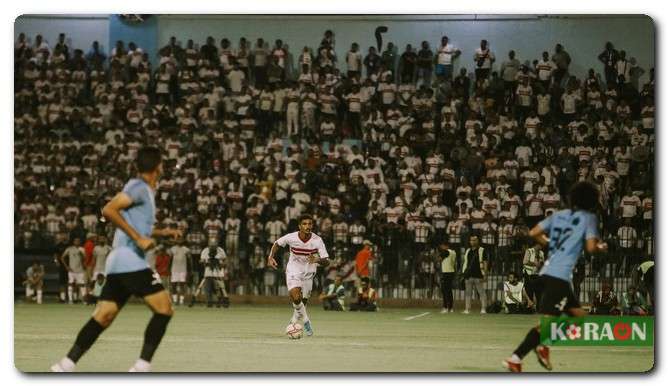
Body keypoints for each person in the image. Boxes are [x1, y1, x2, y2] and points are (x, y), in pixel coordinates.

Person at [51, 147, 182, 372]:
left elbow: (140, 225)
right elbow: (109, 210)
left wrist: (163, 233)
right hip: (130, 260)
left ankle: (65, 365)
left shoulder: (146, 191)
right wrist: (139, 238)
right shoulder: (138, 186)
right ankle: (141, 368)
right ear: (158, 166)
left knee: (104, 315)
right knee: (164, 309)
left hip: (118, 262)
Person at [503, 181, 608, 372]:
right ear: (591, 200)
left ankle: (543, 345)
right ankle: (515, 358)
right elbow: (592, 247)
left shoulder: (558, 215)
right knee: (547, 324)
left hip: (549, 274)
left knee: (578, 316)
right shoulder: (589, 218)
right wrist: (602, 247)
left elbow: (534, 232)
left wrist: (552, 244)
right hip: (557, 278)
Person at [266, 214, 330, 336]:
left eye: (310, 224)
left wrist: (316, 260)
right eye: (304, 224)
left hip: (309, 273)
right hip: (293, 270)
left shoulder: (317, 240)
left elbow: (327, 261)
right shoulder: (291, 237)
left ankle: (294, 321)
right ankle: (306, 321)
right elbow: (277, 243)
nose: (307, 226)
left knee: (302, 301)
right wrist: (271, 257)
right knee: (295, 296)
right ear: (299, 226)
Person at [461, 235, 489, 314]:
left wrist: (485, 275)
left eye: (475, 240)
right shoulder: (468, 251)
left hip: (479, 275)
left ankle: (483, 309)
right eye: (471, 240)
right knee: (468, 293)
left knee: (481, 293)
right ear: (469, 241)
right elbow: (465, 263)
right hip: (468, 275)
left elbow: (485, 262)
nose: (473, 242)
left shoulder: (482, 250)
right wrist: (464, 273)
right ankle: (467, 309)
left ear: (478, 241)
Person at [60, 237, 86, 304]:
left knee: (82, 284)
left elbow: (84, 259)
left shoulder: (82, 249)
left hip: (80, 270)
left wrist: (81, 254)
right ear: (73, 242)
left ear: (80, 242)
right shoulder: (69, 249)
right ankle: (70, 300)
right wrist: (67, 267)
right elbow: (62, 257)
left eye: (78, 241)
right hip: (71, 270)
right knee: (70, 284)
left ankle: (84, 300)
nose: (77, 242)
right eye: (75, 241)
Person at [168, 237, 191, 306]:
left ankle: (181, 301)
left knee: (182, 285)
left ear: (183, 240)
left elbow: (190, 260)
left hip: (183, 269)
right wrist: (168, 268)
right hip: (174, 269)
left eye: (181, 239)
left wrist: (190, 269)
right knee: (174, 285)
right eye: (178, 240)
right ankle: (175, 300)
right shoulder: (173, 249)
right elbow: (170, 259)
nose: (179, 241)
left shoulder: (186, 249)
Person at [438, 240, 457, 313]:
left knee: (444, 290)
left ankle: (445, 307)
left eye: (442, 246)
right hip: (451, 271)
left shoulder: (446, 252)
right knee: (449, 290)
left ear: (446, 246)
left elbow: (438, 259)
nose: (441, 247)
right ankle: (450, 307)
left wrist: (438, 255)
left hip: (446, 272)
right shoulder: (453, 252)